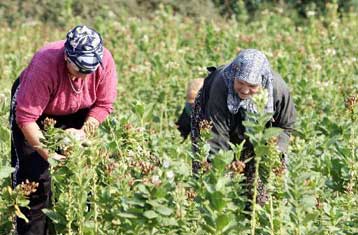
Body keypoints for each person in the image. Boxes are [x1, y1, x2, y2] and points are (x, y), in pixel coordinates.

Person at [9, 25, 117, 235]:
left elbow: (103, 104)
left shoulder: (104, 62)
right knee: (34, 181)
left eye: (90, 69)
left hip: (79, 108)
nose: (85, 76)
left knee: (81, 177)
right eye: (80, 69)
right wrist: (51, 156)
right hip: (36, 112)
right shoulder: (45, 65)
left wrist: (84, 132)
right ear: (67, 57)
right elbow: (27, 118)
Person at [191, 49, 296, 205]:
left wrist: (273, 153)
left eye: (252, 86)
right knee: (211, 185)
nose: (245, 90)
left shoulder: (277, 89)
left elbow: (286, 126)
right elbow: (216, 136)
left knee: (261, 191)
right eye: (240, 82)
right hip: (212, 120)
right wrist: (223, 172)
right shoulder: (221, 85)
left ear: (262, 81)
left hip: (258, 130)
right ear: (234, 75)